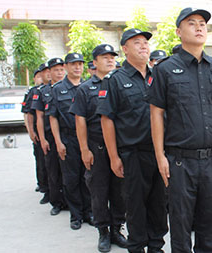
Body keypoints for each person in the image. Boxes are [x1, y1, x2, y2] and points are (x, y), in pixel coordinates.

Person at [149, 7, 212, 252]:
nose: (199, 27)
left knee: (210, 223)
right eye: (191, 23)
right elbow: (156, 114)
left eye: (203, 24)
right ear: (179, 31)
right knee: (181, 223)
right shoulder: (164, 69)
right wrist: (160, 156)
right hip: (180, 161)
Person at [96, 28, 168, 253]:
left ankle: (156, 246)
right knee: (136, 207)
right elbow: (107, 120)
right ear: (125, 49)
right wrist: (114, 156)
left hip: (160, 153)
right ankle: (137, 247)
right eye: (137, 43)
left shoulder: (159, 76)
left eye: (145, 42)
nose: (144, 46)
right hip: (133, 154)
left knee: (159, 205)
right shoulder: (115, 80)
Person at [70, 44, 127, 252]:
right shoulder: (86, 88)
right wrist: (84, 149)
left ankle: (117, 229)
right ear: (94, 62)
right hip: (97, 147)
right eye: (104, 57)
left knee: (120, 192)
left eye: (112, 57)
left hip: (121, 146)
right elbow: (80, 121)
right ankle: (103, 231)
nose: (110, 60)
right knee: (99, 191)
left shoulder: (122, 84)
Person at [48, 53, 92, 230]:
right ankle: (76, 215)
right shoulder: (58, 89)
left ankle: (89, 212)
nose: (77, 67)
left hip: (88, 139)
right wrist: (58, 142)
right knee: (71, 178)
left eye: (80, 64)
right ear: (66, 67)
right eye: (73, 64)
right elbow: (53, 117)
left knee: (88, 177)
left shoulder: (89, 86)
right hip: (68, 138)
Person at [31, 58, 66, 216]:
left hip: (66, 135)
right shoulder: (42, 92)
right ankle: (56, 202)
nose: (59, 73)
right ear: (49, 73)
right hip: (50, 137)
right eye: (55, 70)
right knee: (52, 170)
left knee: (69, 172)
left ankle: (71, 202)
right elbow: (39, 117)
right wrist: (42, 138)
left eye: (61, 70)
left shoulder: (70, 88)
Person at [22, 65, 47, 203]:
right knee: (41, 160)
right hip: (39, 132)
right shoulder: (33, 92)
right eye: (38, 75)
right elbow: (28, 113)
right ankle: (42, 185)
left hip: (52, 132)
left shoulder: (52, 89)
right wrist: (31, 131)